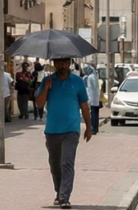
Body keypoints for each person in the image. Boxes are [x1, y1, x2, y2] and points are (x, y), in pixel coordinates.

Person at [35, 57, 93, 209]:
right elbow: (39, 104)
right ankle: (59, 191)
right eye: (59, 62)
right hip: (52, 130)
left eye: (65, 62)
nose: (62, 65)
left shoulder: (78, 82)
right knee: (55, 165)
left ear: (69, 64)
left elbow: (85, 106)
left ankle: (64, 197)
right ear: (54, 64)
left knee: (67, 162)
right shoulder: (48, 81)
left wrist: (88, 127)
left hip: (71, 130)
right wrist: (46, 88)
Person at [83, 65, 102, 133]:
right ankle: (95, 128)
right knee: (95, 114)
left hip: (93, 98)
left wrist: (90, 99)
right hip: (95, 98)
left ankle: (93, 128)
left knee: (93, 114)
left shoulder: (91, 77)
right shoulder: (93, 76)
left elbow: (92, 89)